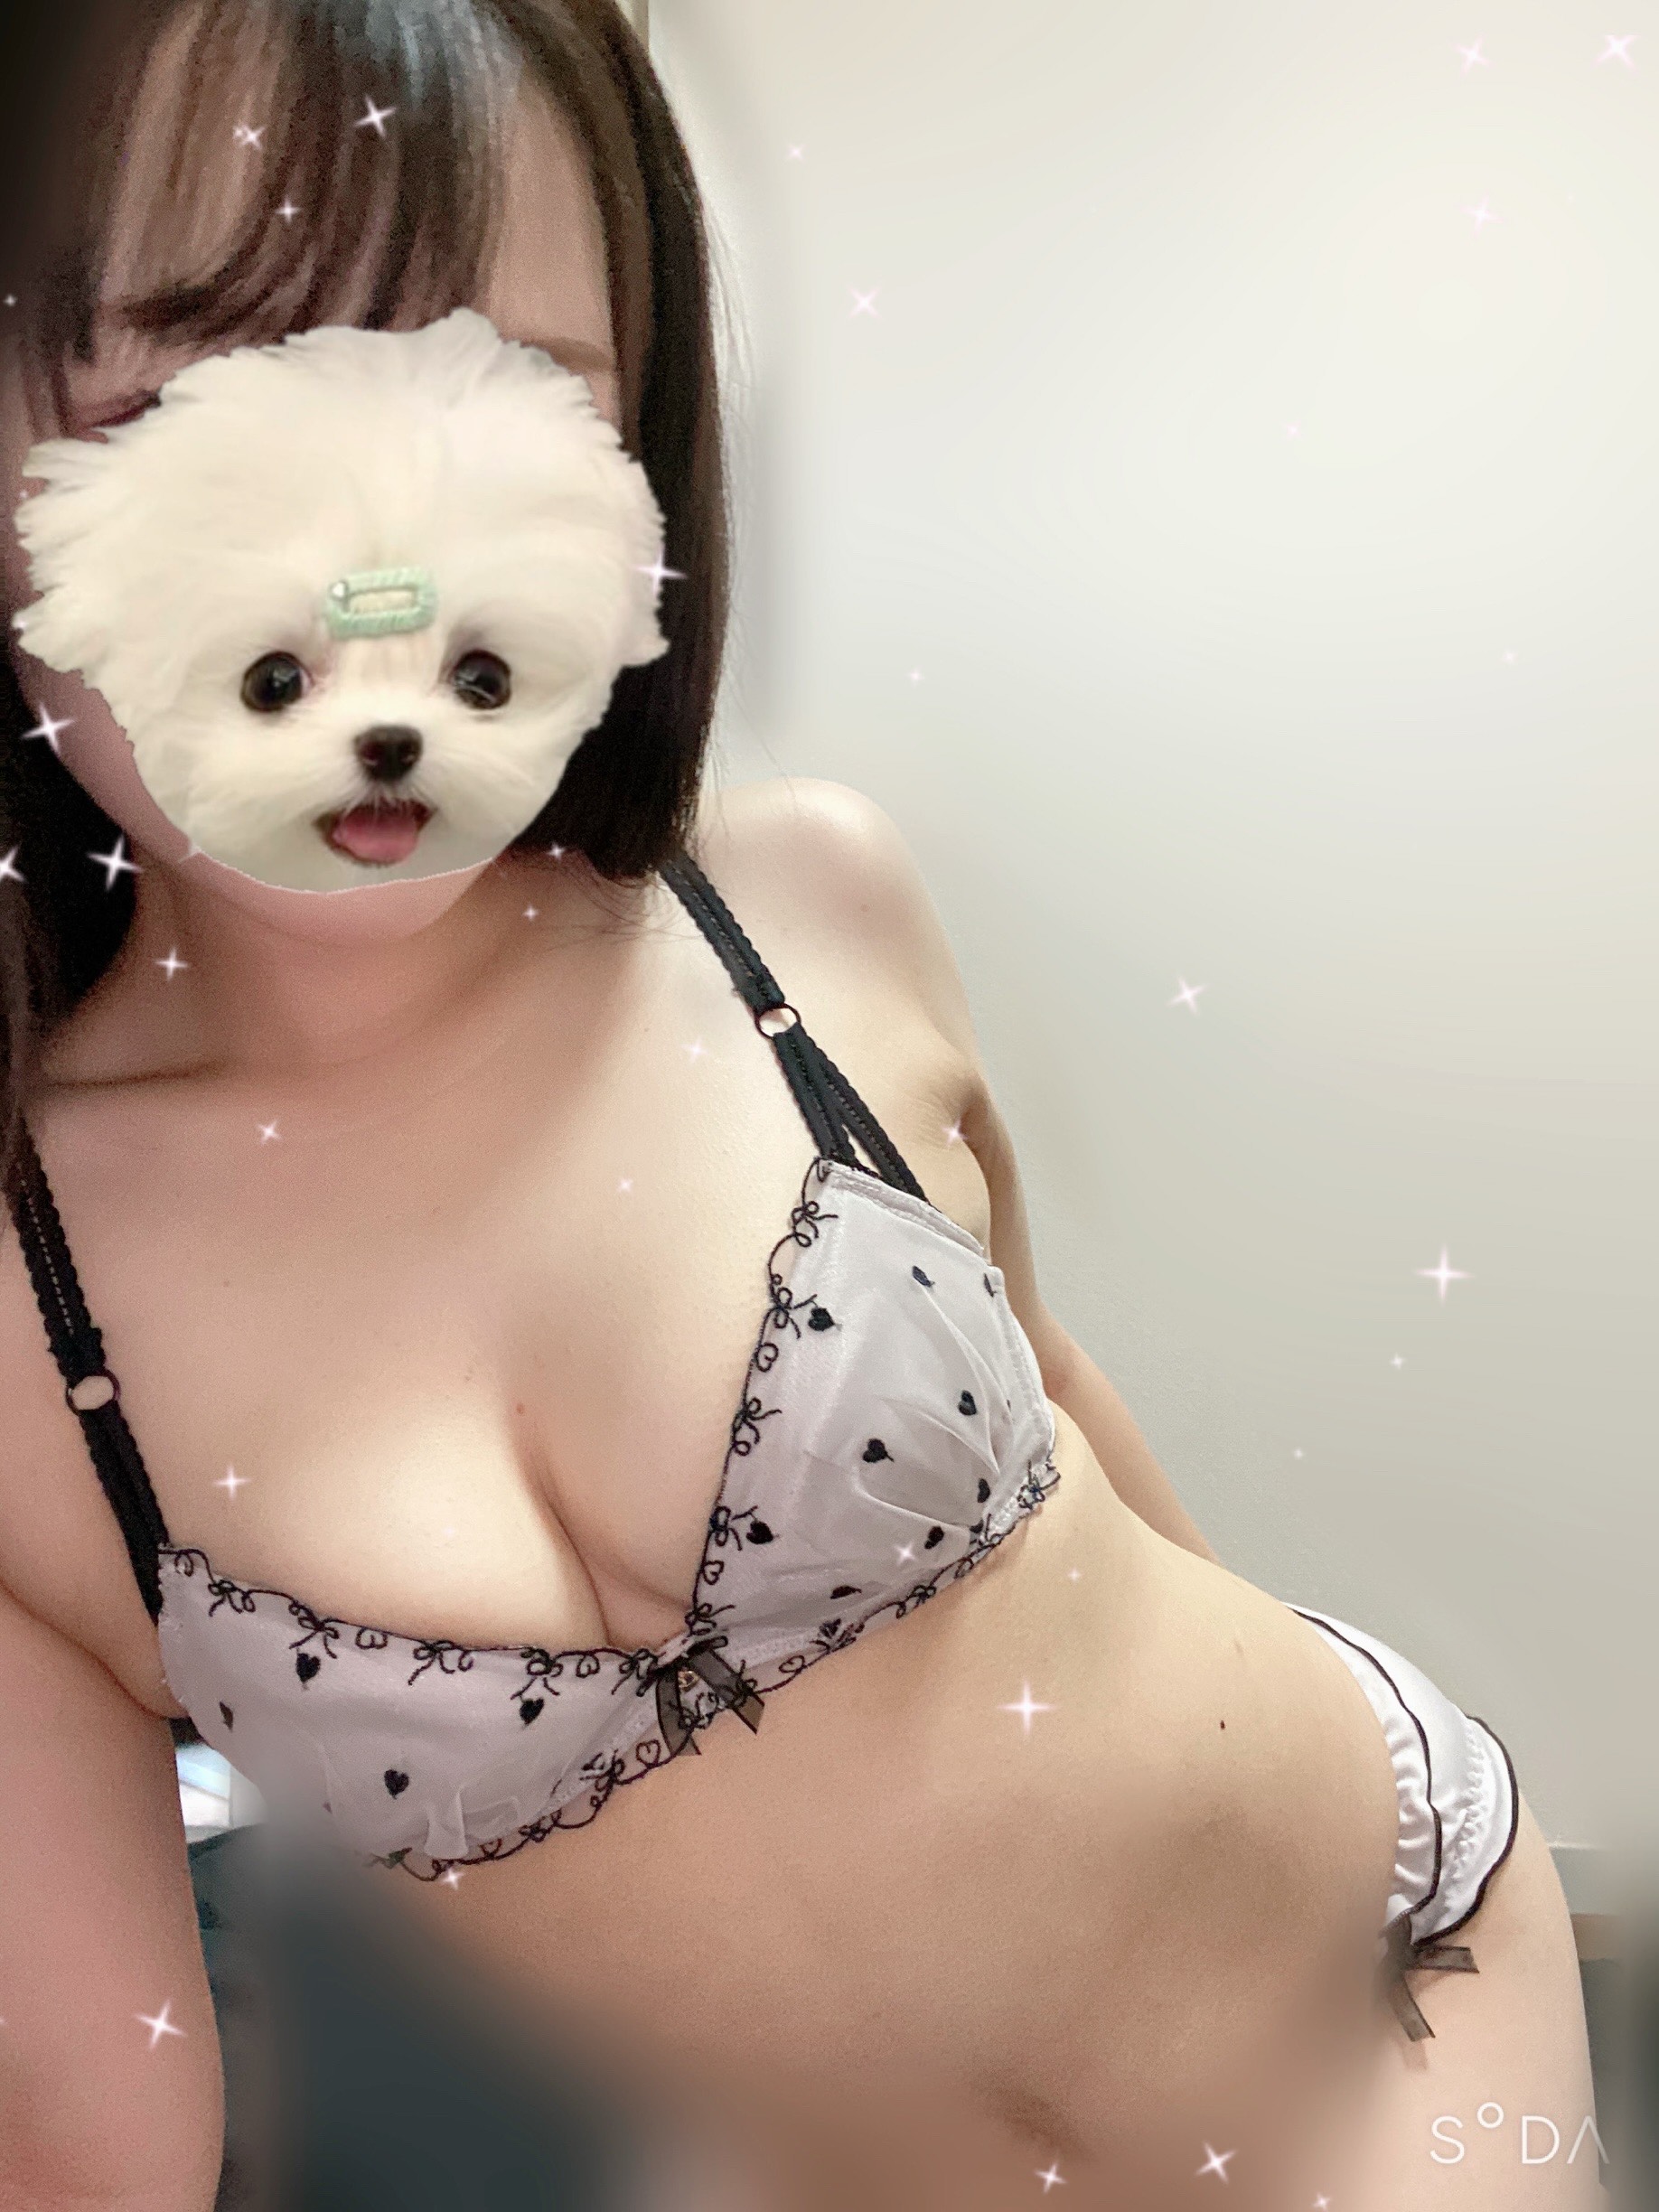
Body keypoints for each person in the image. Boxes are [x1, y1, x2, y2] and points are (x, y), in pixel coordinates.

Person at [0, 4, 1602, 2207]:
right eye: (191, 405)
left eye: (506, 400)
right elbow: (92, 2147)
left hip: (1408, 1962)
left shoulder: (801, 903)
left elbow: (1051, 1407)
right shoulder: (25, 1336)